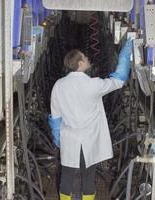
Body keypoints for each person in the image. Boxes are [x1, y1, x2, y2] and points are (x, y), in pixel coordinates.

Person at [48, 39, 133, 200]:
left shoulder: (59, 85)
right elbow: (118, 80)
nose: (88, 59)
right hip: (90, 139)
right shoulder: (93, 85)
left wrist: (58, 138)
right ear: (80, 63)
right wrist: (125, 54)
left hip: (69, 138)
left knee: (67, 176)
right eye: (85, 58)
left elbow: (55, 117)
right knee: (88, 177)